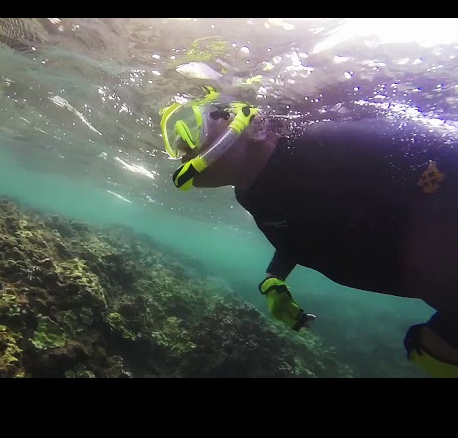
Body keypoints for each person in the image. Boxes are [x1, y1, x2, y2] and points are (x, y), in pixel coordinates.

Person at [159, 85, 458, 378]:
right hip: (437, 295)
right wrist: (274, 278)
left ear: (255, 126)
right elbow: (297, 232)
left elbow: (445, 153)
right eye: (175, 142)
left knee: (432, 352)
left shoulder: (328, 143)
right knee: (429, 352)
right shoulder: (249, 194)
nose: (183, 146)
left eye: (194, 125)